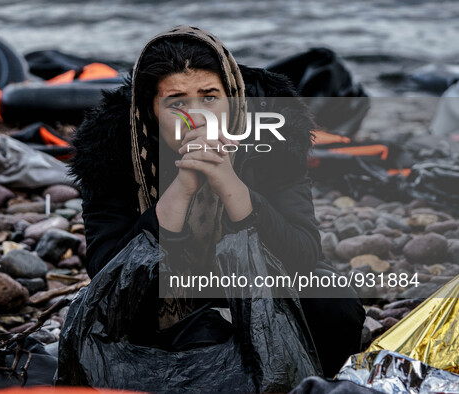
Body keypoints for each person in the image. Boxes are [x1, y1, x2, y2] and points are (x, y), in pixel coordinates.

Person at [69, 25, 365, 378]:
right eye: (177, 102)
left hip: (256, 280)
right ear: (151, 110)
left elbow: (302, 253)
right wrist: (183, 187)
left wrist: (231, 186)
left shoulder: (276, 137)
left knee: (333, 302)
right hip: (165, 294)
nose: (198, 117)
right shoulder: (112, 151)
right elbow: (107, 273)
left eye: (209, 97)